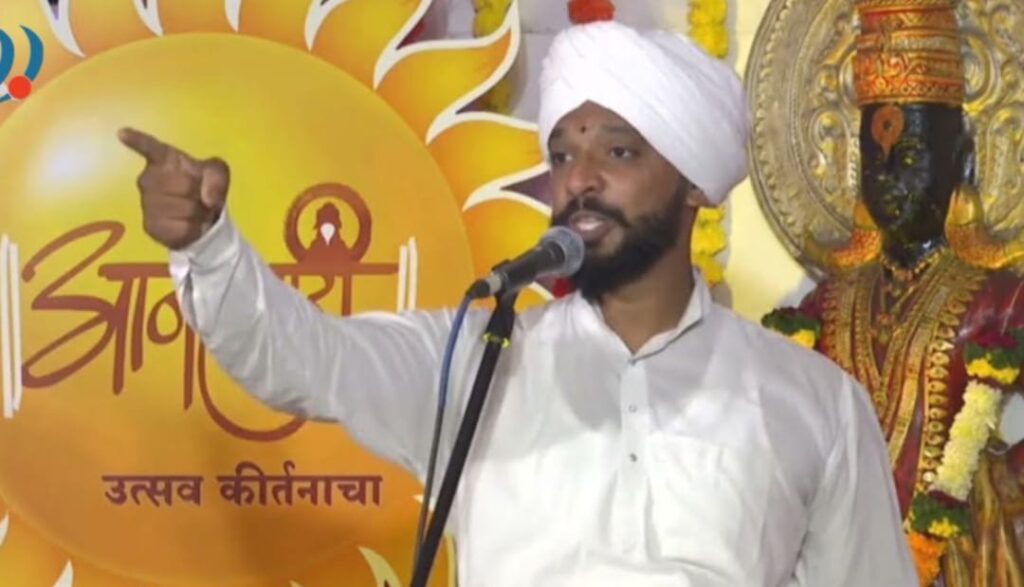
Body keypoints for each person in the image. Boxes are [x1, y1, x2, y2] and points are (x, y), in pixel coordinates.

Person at [120, 20, 916, 587]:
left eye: (619, 151)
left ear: (693, 186)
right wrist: (207, 244)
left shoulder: (811, 400)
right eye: (563, 154)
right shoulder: (476, 359)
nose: (580, 180)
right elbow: (297, 359)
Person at [760, 1, 1024, 584]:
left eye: (909, 159)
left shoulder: (1002, 302)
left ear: (962, 162)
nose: (891, 183)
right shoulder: (825, 306)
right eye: (875, 162)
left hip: (957, 562)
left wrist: (999, 489)